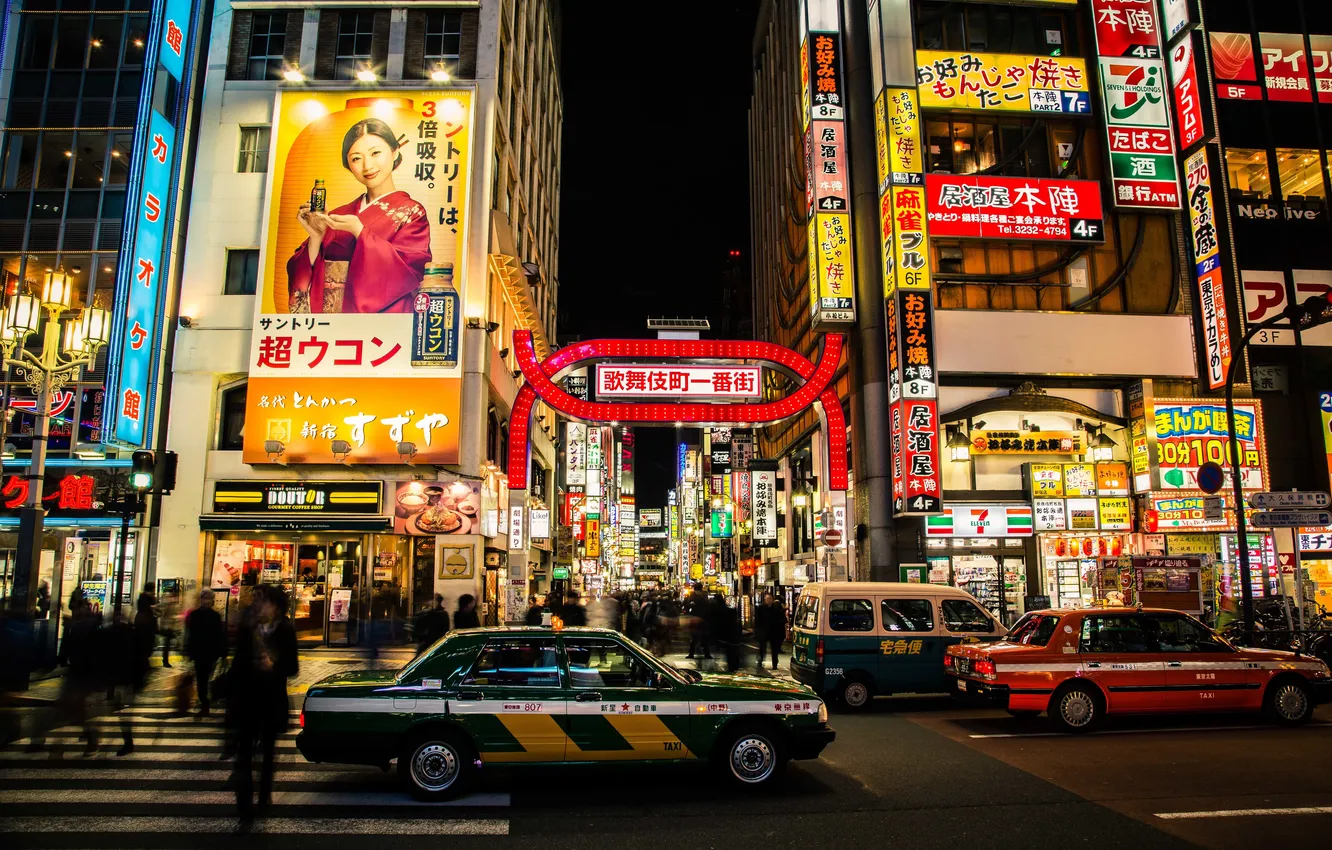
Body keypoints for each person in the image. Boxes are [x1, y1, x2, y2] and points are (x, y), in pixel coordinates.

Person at [288, 118, 432, 314]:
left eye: (375, 153)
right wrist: (316, 237)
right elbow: (302, 278)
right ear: (348, 164)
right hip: (331, 323)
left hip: (384, 323)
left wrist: (360, 232)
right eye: (356, 158)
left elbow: (409, 272)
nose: (367, 165)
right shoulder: (338, 215)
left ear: (394, 151)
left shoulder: (412, 213)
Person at [229, 585, 298, 826]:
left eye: (264, 601)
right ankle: (245, 810)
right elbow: (237, 663)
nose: (259, 606)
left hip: (270, 700)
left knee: (268, 751)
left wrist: (274, 666)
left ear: (276, 607)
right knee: (244, 755)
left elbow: (293, 668)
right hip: (247, 700)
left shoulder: (285, 630)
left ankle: (264, 793)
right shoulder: (249, 630)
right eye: (257, 601)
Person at [185, 590, 226, 717]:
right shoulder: (195, 615)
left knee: (205, 678)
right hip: (200, 652)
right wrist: (189, 650)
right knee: (201, 679)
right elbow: (190, 633)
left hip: (210, 652)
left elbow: (220, 635)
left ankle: (206, 702)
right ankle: (204, 703)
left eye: (209, 598)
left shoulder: (214, 616)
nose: (206, 601)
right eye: (205, 598)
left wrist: (221, 651)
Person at [755, 592, 785, 672]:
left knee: (774, 649)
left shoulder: (775, 608)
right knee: (762, 648)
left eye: (770, 599)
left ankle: (774, 663)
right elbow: (758, 620)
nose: (769, 601)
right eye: (767, 599)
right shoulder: (761, 608)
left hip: (773, 631)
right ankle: (760, 661)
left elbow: (779, 619)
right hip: (764, 631)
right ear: (765, 599)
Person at [685, 584, 712, 659]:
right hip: (703, 618)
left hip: (694, 618)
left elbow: (688, 605)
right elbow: (708, 605)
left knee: (694, 637)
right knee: (704, 637)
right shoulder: (704, 595)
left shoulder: (692, 596)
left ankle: (691, 653)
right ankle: (706, 654)